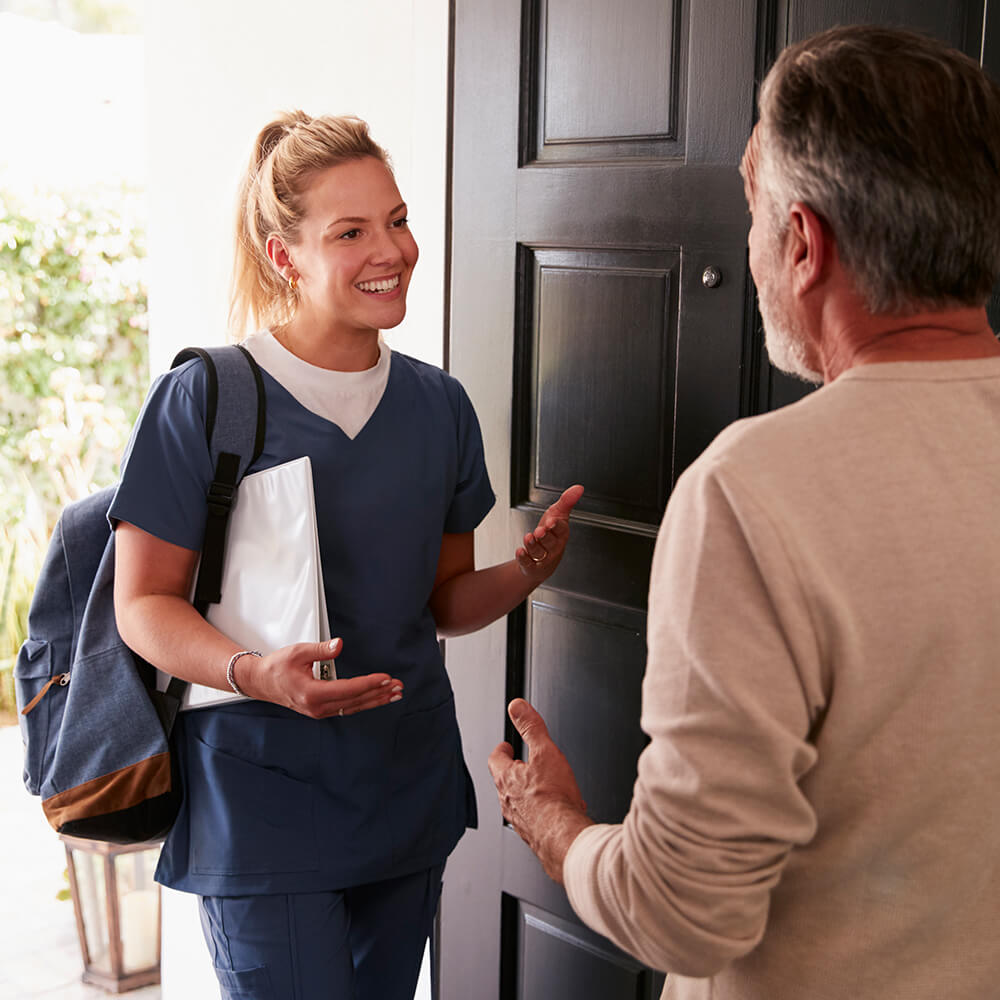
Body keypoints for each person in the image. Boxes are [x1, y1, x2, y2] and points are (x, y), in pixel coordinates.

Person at [489, 25, 1000, 1000]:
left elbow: (683, 911)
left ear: (802, 243)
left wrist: (553, 824)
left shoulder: (754, 489)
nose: (750, 248)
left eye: (753, 212)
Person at [111, 111, 583, 1000]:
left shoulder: (439, 407)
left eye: (398, 221)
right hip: (261, 796)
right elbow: (142, 607)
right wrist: (255, 672)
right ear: (283, 254)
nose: (392, 251)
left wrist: (526, 572)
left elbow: (444, 602)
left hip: (403, 784)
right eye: (351, 232)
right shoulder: (205, 396)